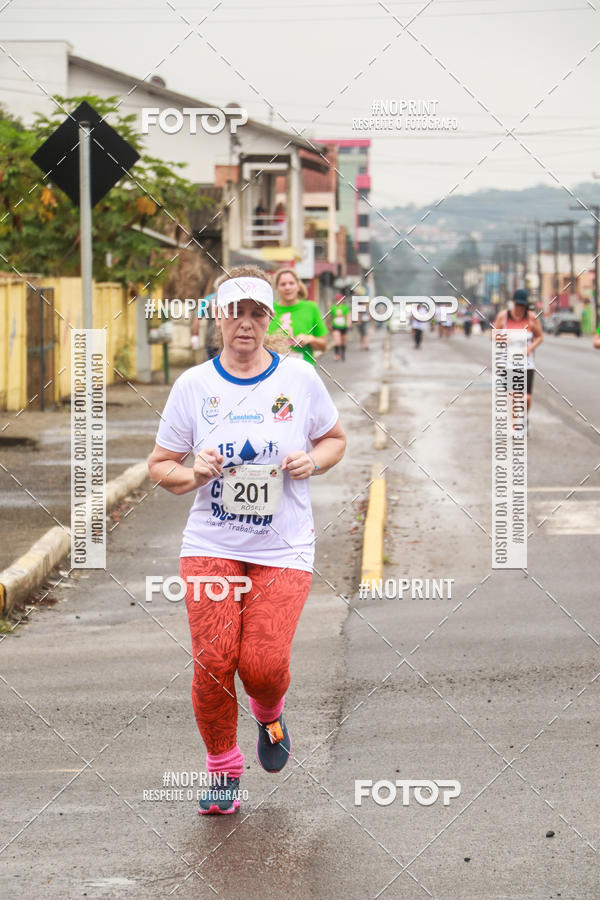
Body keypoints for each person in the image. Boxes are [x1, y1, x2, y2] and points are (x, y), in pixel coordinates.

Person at [147, 265, 346, 816]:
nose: (246, 323)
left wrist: (314, 461)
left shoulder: (299, 379)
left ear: (269, 319)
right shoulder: (194, 386)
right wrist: (194, 474)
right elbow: (160, 466)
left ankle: (269, 711)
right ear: (220, 317)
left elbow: (334, 439)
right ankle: (223, 771)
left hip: (283, 547)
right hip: (211, 542)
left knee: (260, 663)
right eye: (236, 312)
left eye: (257, 313)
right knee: (213, 661)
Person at [493, 288, 543, 419]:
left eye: (522, 305)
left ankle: (524, 418)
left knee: (526, 398)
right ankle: (515, 426)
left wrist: (530, 348)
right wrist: (503, 339)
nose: (519, 308)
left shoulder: (532, 318)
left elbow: (540, 337)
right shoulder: (503, 316)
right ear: (513, 303)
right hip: (508, 362)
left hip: (527, 363)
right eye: (517, 304)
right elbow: (493, 335)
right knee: (512, 396)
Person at [268, 267, 328, 366]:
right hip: (275, 370)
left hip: (304, 371)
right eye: (283, 284)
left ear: (298, 286)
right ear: (276, 288)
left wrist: (310, 339)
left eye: (291, 283)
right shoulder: (269, 309)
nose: (287, 287)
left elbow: (323, 345)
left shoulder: (310, 308)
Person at [329, 293, 351, 361]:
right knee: (337, 341)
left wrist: (348, 324)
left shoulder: (345, 307)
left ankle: (343, 353)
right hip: (335, 326)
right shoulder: (333, 307)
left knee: (343, 341)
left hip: (343, 326)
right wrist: (329, 325)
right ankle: (336, 355)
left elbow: (348, 316)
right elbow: (329, 317)